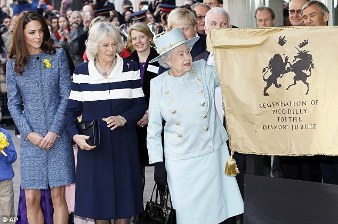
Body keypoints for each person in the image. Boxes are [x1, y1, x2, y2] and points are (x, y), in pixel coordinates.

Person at [147, 28, 244, 224]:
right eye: (180, 54)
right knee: (189, 215)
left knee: (219, 211)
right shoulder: (158, 84)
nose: (187, 57)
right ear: (167, 60)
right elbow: (154, 129)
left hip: (212, 154)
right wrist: (158, 163)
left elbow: (230, 72)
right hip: (180, 162)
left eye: (188, 52)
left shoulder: (204, 71)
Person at [65, 21, 146, 224]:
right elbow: (70, 112)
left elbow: (139, 105)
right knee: (99, 212)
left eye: (114, 44)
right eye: (105, 45)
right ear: (94, 47)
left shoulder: (130, 68)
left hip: (124, 148)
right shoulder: (82, 72)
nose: (111, 50)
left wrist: (123, 118)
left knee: (125, 212)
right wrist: (75, 136)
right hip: (94, 150)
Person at [6, 11, 75, 224]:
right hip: (31, 141)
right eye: (32, 32)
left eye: (41, 31)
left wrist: (54, 131)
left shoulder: (57, 56)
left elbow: (67, 96)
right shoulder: (13, 63)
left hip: (58, 136)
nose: (38, 36)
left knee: (58, 195)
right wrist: (29, 134)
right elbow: (13, 104)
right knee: (31, 197)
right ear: (22, 35)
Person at [125, 22, 160, 222]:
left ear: (149, 37)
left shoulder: (160, 59)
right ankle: (138, 213)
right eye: (134, 38)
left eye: (141, 37)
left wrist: (149, 113)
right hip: (133, 123)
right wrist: (136, 114)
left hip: (155, 121)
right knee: (136, 171)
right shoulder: (127, 62)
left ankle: (161, 210)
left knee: (159, 170)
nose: (138, 41)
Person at [0, 126, 17, 221]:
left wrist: (3, 151)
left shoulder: (4, 134)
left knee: (8, 214)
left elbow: (13, 157)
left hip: (4, 182)